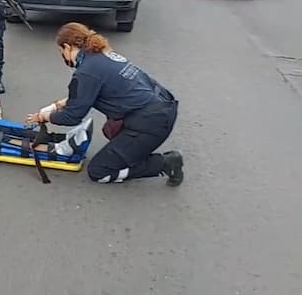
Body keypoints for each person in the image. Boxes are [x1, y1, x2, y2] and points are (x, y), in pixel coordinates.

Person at [27, 22, 185, 186]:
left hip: (152, 122)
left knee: (99, 171)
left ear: (67, 47)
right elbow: (89, 94)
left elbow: (72, 117)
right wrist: (57, 105)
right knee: (110, 130)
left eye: (61, 51)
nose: (62, 56)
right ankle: (131, 150)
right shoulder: (102, 55)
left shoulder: (86, 72)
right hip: (162, 106)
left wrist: (45, 116)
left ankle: (166, 163)